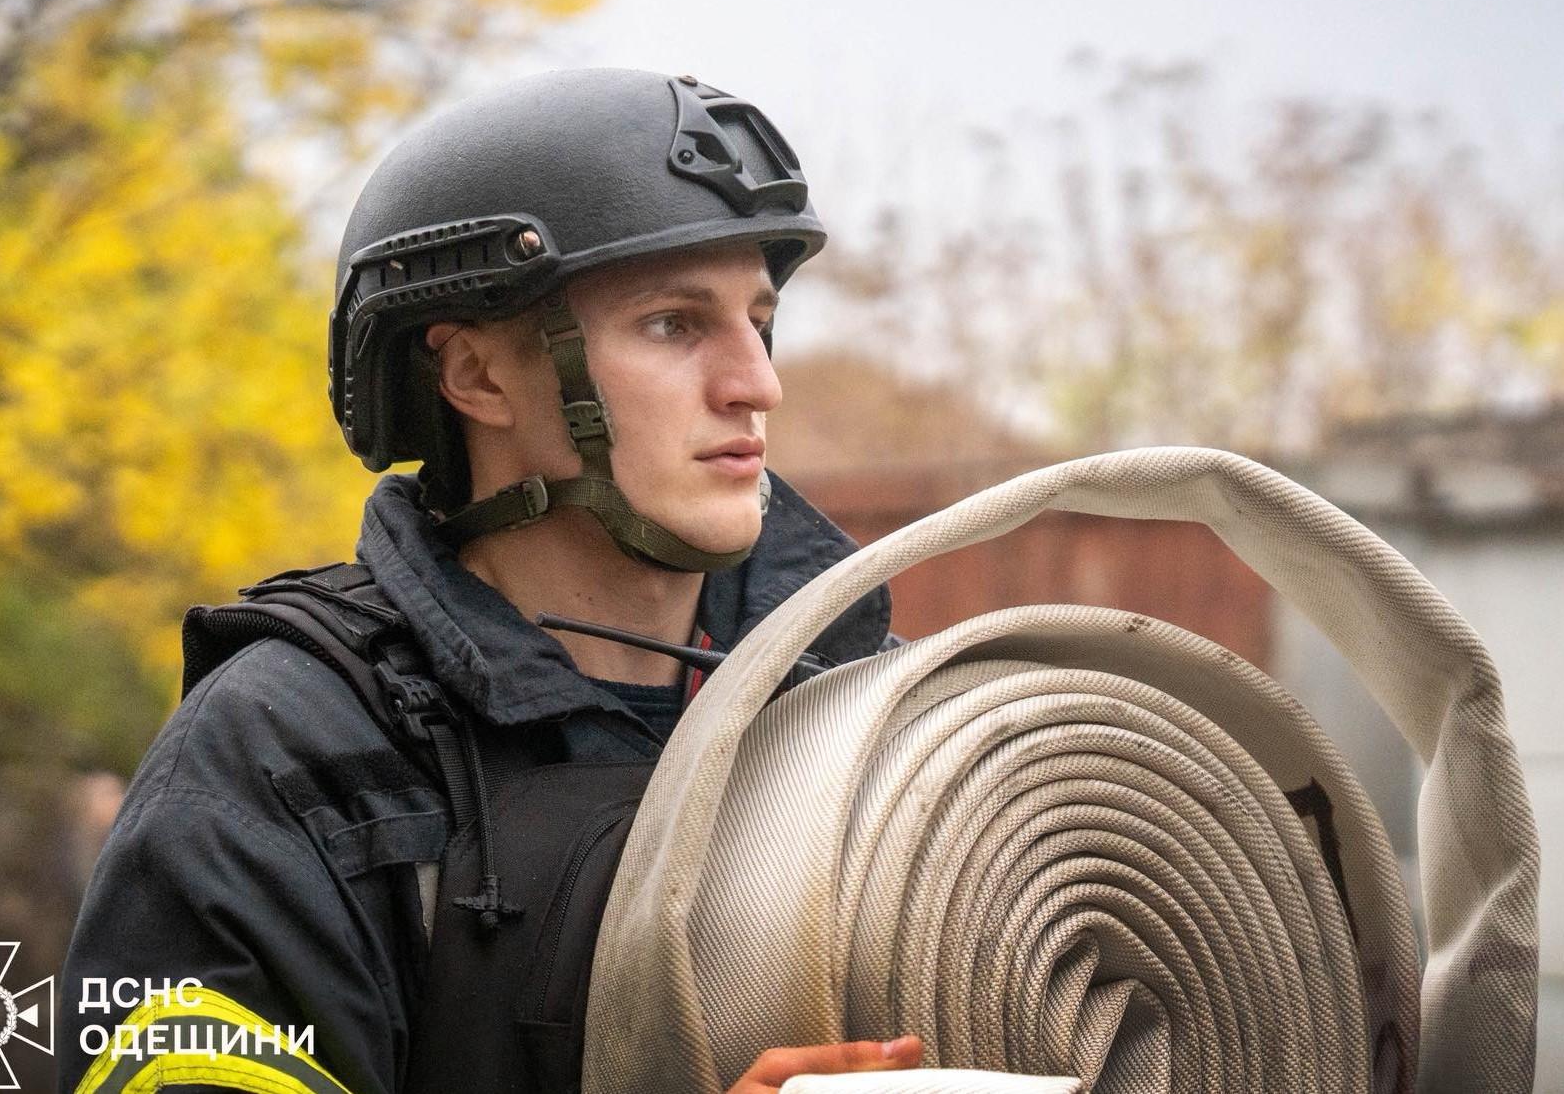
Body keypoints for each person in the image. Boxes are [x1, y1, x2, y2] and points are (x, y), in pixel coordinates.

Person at [57, 68, 922, 1094]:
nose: (756, 382)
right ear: (476, 377)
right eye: (673, 325)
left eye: (756, 319)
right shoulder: (284, 766)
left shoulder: (880, 725)